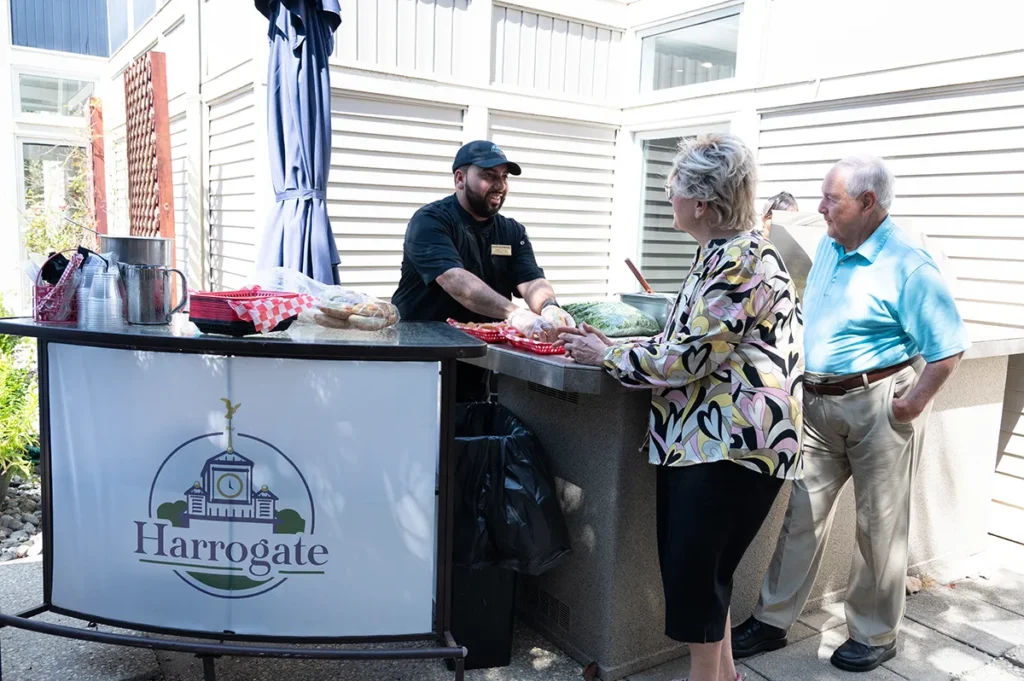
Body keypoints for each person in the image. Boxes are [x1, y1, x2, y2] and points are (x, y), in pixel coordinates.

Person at [559, 134, 804, 681]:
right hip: (716, 444)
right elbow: (693, 340)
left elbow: (689, 357)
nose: (667, 198)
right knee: (706, 578)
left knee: (696, 580)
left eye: (673, 189)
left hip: (728, 446)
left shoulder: (740, 259)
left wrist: (607, 355)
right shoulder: (724, 253)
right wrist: (616, 347)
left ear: (701, 201)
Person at [731, 156, 971, 673]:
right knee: (801, 517)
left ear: (867, 202)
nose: (819, 208)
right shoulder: (830, 245)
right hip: (818, 404)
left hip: (879, 401)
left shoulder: (909, 265)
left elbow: (949, 347)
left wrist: (911, 404)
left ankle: (874, 633)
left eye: (830, 199)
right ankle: (772, 621)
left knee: (879, 526)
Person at [392, 140, 575, 399]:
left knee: (473, 416)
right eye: (489, 176)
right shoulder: (431, 221)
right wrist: (515, 314)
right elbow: (456, 281)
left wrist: (549, 307)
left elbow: (532, 281)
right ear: (460, 179)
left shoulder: (512, 231)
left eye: (504, 177)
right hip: (424, 357)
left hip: (479, 359)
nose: (499, 185)